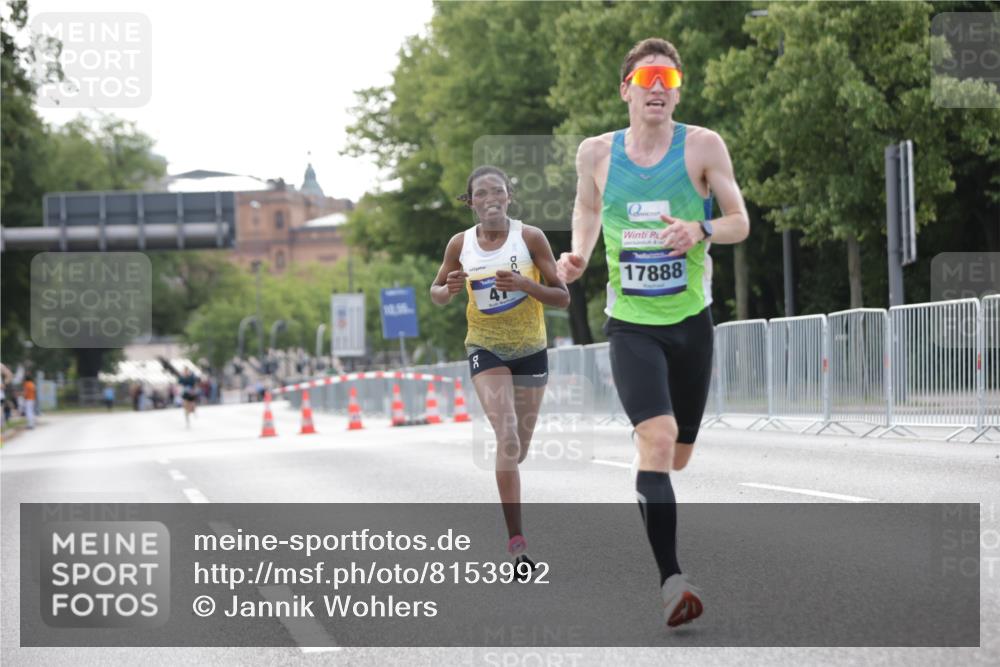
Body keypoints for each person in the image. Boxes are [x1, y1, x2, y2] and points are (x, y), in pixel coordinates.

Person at [556, 38, 750, 628]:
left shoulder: (702, 146)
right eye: (648, 78)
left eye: (670, 77)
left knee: (680, 455)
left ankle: (652, 450)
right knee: (659, 441)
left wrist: (700, 228)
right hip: (633, 327)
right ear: (627, 90)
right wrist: (580, 256)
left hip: (691, 324)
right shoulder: (595, 154)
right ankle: (672, 582)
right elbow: (587, 210)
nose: (660, 87)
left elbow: (740, 221)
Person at [431, 165, 570, 577]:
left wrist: (526, 286)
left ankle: (512, 498)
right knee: (505, 435)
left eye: (497, 191)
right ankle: (517, 543)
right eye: (482, 194)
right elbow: (436, 292)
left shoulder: (530, 238)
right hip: (485, 347)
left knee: (519, 448)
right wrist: (448, 288)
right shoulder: (460, 244)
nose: (490, 199)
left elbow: (561, 297)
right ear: (471, 202)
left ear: (509, 196)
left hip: (530, 350)